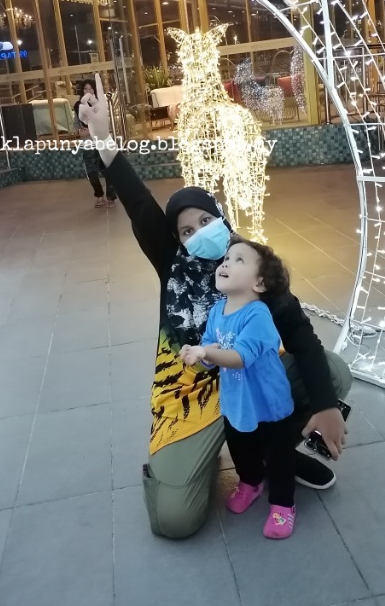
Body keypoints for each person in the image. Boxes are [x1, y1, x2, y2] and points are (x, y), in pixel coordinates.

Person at [79, 76, 352, 539]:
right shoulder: (174, 264)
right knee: (174, 520)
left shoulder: (251, 263)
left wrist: (325, 406)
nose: (198, 233)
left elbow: (301, 336)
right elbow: (141, 206)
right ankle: (211, 455)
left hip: (248, 375)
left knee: (330, 371)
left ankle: (274, 448)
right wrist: (105, 143)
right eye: (186, 230)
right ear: (176, 240)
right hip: (190, 391)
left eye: (206, 221)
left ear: (222, 219)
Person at [180, 236, 297, 539]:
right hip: (236, 402)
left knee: (279, 457)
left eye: (239, 260)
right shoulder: (218, 311)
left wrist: (207, 353)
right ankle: (250, 482)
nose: (227, 263)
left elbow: (240, 357)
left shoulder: (257, 315)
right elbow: (211, 348)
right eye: (227, 258)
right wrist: (199, 356)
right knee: (241, 448)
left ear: (259, 283)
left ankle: (283, 505)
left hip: (270, 406)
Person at [74, 80, 117, 208]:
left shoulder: (100, 105)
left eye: (91, 89)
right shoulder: (78, 106)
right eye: (86, 89)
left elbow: (105, 122)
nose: (88, 91)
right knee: (91, 173)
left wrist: (91, 130)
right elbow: (76, 126)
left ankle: (111, 197)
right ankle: (99, 195)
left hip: (103, 143)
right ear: (82, 91)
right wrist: (82, 132)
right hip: (88, 145)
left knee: (108, 171)